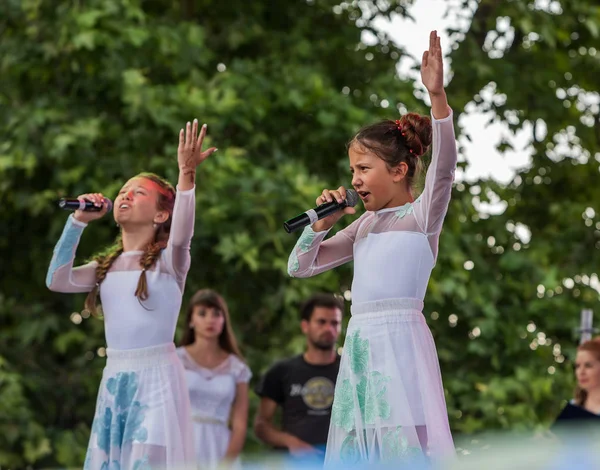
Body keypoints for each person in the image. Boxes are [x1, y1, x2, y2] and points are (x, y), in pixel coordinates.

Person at [287, 31, 456, 465]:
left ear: (400, 170)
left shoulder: (420, 218)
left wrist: (437, 98)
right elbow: (300, 267)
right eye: (351, 170)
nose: (355, 179)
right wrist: (321, 225)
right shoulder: (361, 227)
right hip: (363, 347)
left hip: (402, 346)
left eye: (364, 168)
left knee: (406, 453)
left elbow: (444, 169)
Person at [46, 120, 217, 469]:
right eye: (123, 190)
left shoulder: (170, 260)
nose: (125, 195)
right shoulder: (105, 267)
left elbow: (183, 232)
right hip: (115, 379)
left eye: (138, 192)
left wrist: (187, 174)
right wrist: (77, 221)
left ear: (161, 213)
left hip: (156, 379)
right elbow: (56, 280)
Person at [254, 293, 343, 461]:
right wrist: (291, 442)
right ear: (305, 326)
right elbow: (261, 425)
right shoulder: (282, 370)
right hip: (293, 463)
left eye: (335, 323)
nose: (329, 329)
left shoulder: (351, 372)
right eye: (321, 322)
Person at [177, 289, 251, 469]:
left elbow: (240, 425)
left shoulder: (237, 368)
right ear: (191, 320)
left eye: (216, 314)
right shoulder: (175, 360)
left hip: (220, 448)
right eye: (202, 313)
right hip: (181, 444)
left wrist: (225, 464)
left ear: (224, 321)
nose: (210, 319)